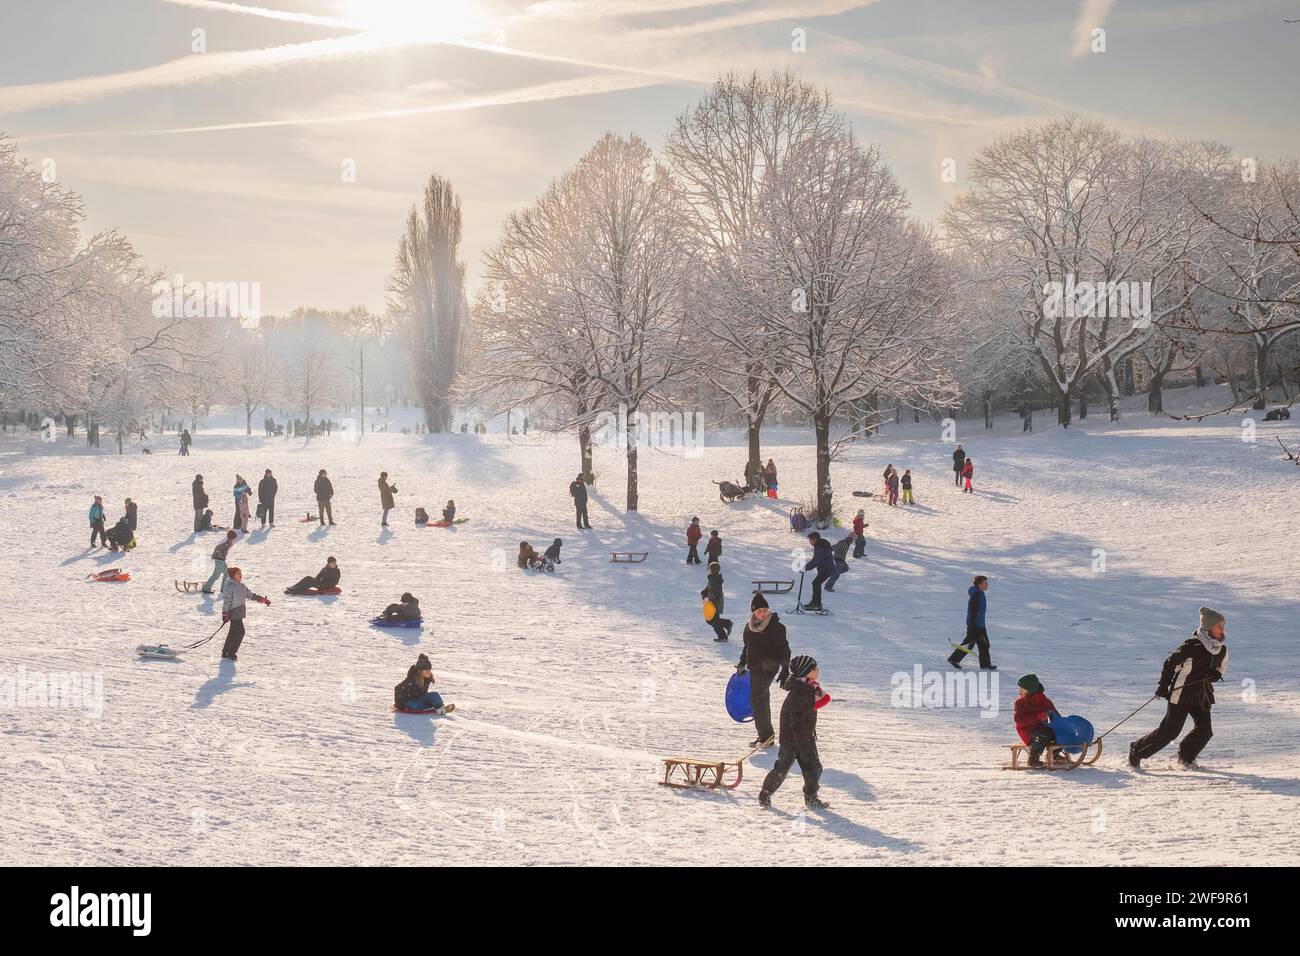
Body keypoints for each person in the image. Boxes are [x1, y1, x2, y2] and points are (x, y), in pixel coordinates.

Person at [1129, 608, 1229, 769]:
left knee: (1205, 731)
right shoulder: (1192, 646)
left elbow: (1222, 665)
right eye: (1219, 626)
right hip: (1181, 694)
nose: (1222, 630)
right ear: (1208, 628)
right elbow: (1170, 663)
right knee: (1169, 732)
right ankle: (1137, 749)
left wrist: (1216, 674)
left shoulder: (1221, 649)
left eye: (1223, 626)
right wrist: (1163, 685)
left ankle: (1186, 756)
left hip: (1201, 696)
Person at [758, 655, 831, 810]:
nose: (817, 670)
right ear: (806, 673)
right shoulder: (801, 693)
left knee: (813, 768)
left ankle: (811, 797)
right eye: (814, 668)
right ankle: (765, 793)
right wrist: (803, 741)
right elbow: (796, 721)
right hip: (795, 740)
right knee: (782, 768)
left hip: (802, 738)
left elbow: (811, 711)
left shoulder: (808, 689)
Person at [736, 593, 790, 748]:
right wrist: (742, 663)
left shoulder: (776, 627)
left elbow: (784, 649)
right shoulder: (750, 626)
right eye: (760, 610)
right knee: (761, 699)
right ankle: (766, 736)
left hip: (769, 667)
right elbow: (747, 647)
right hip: (754, 667)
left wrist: (785, 668)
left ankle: (765, 737)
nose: (763, 613)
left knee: (757, 699)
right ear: (753, 611)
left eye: (765, 610)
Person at [220, 566, 270, 662]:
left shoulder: (242, 586)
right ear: (233, 576)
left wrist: (262, 599)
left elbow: (250, 595)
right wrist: (225, 613)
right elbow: (227, 601)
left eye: (240, 573)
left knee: (233, 633)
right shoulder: (229, 587)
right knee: (240, 632)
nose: (240, 575)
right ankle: (231, 653)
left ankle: (225, 652)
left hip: (240, 612)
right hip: (233, 612)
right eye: (238, 573)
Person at [947, 574, 996, 670]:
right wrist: (973, 625)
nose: (987, 585)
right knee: (974, 645)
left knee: (983, 645)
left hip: (979, 625)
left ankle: (985, 664)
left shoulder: (980, 593)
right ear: (979, 584)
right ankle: (954, 659)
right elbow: (972, 611)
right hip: (975, 626)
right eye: (985, 583)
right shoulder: (977, 595)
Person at [1014, 674, 1059, 768]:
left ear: (1031, 690)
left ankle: (1054, 755)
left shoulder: (1045, 702)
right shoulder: (1020, 703)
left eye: (1023, 689)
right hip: (1027, 732)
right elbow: (1019, 720)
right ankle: (1033, 759)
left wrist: (1063, 724)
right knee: (1043, 734)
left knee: (1059, 732)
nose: (1019, 692)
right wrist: (1038, 716)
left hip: (1043, 729)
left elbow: (1056, 716)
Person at [701, 561, 732, 642]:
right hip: (713, 601)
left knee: (711, 620)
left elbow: (716, 592)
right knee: (714, 620)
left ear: (713, 570)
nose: (709, 570)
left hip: (715, 602)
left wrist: (709, 598)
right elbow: (708, 589)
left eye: (710, 569)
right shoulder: (712, 578)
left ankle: (727, 623)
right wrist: (703, 593)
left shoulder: (715, 580)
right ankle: (723, 636)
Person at [803, 532, 834, 611]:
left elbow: (816, 560)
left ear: (815, 539)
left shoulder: (820, 547)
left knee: (816, 583)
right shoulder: (822, 544)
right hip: (826, 568)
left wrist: (806, 567)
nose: (809, 542)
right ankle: (815, 602)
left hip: (826, 569)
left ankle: (817, 604)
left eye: (810, 540)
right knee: (816, 583)